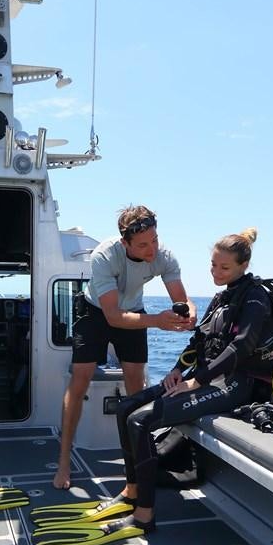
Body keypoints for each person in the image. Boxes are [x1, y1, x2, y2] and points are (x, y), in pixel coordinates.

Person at [34, 228, 273, 545]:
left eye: (224, 268)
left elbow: (240, 347)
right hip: (208, 376)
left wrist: (198, 379)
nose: (215, 273)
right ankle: (132, 489)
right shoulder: (223, 296)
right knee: (128, 408)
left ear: (243, 265)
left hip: (236, 384)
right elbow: (200, 340)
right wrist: (177, 371)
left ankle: (144, 515)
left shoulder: (254, 298)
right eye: (212, 265)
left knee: (142, 421)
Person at [54, 205, 194, 489]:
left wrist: (188, 313)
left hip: (134, 310)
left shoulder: (163, 256)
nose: (152, 248)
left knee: (136, 385)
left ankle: (138, 461)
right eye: (143, 244)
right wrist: (157, 321)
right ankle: (64, 461)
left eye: (154, 239)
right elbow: (113, 316)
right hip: (95, 312)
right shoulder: (104, 256)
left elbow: (183, 299)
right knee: (80, 380)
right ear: (125, 242)